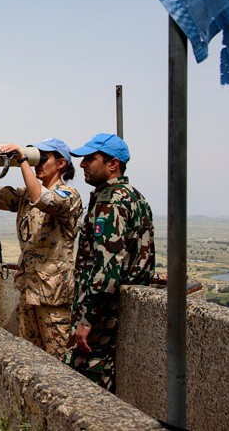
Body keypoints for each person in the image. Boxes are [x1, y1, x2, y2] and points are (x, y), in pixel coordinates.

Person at [64, 133, 155, 393]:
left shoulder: (110, 202)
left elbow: (107, 266)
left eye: (91, 159)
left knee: (84, 391)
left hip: (102, 316)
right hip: (115, 311)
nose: (82, 165)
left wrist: (87, 318)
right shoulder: (135, 196)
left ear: (112, 164)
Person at [0, 138, 82, 359]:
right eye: (36, 157)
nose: (38, 163)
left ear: (61, 163)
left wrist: (23, 159)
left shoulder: (69, 195)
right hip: (29, 290)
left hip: (55, 297)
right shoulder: (25, 195)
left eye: (44, 158)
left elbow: (43, 199)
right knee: (30, 357)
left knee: (59, 360)